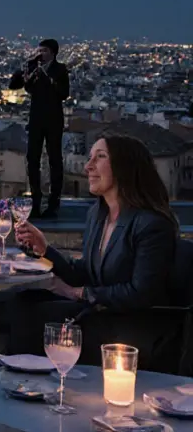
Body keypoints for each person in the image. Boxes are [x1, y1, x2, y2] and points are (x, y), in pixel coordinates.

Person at [11, 134, 179, 368]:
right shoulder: (98, 215)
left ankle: (23, 382)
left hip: (130, 326)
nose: (88, 166)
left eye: (99, 157)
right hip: (102, 312)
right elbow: (85, 270)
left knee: (39, 317)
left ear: (125, 167)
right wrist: (45, 249)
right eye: (90, 158)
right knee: (23, 301)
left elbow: (141, 293)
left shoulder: (152, 225)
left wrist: (79, 293)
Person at [9, 39, 71, 218]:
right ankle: (35, 201)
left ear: (52, 53)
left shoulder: (60, 70)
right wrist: (24, 68)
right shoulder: (33, 66)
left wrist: (47, 77)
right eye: (39, 50)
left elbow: (64, 93)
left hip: (53, 119)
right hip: (36, 118)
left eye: (43, 51)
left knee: (54, 160)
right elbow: (14, 85)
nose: (40, 54)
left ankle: (54, 203)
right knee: (32, 159)